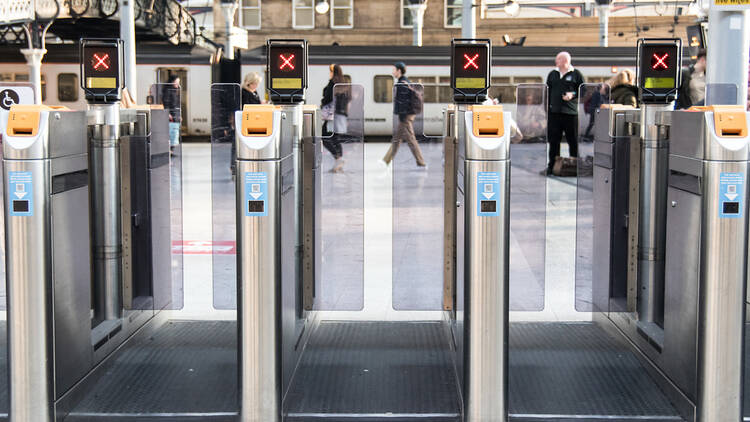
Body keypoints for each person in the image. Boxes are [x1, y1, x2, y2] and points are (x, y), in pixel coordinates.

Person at [542, 51, 584, 175]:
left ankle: (575, 167)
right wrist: (547, 109)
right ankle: (552, 167)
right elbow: (547, 91)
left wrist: (573, 94)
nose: (556, 62)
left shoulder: (576, 74)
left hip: (570, 114)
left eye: (558, 59)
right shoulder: (552, 74)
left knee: (573, 141)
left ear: (566, 61)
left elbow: (584, 90)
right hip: (554, 113)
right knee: (554, 141)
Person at [381, 61, 427, 168]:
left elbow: (403, 102)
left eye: (394, 70)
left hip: (406, 116)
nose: (392, 72)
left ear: (399, 71)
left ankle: (421, 161)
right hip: (407, 114)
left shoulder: (402, 83)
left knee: (410, 139)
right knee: (397, 139)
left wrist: (402, 116)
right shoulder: (405, 82)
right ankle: (386, 160)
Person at [321, 64, 349, 173]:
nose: (329, 73)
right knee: (336, 138)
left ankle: (338, 159)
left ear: (333, 72)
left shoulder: (332, 83)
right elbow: (348, 99)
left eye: (330, 71)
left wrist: (322, 102)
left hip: (332, 115)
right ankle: (339, 163)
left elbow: (327, 98)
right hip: (341, 115)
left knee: (325, 137)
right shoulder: (344, 83)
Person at [162, 74, 182, 153]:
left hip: (175, 115)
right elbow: (166, 103)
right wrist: (168, 113)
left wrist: (179, 115)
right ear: (172, 82)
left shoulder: (175, 91)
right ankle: (169, 150)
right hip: (171, 115)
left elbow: (177, 104)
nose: (178, 84)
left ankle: (171, 150)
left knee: (174, 132)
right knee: (171, 132)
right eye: (176, 82)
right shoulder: (168, 91)